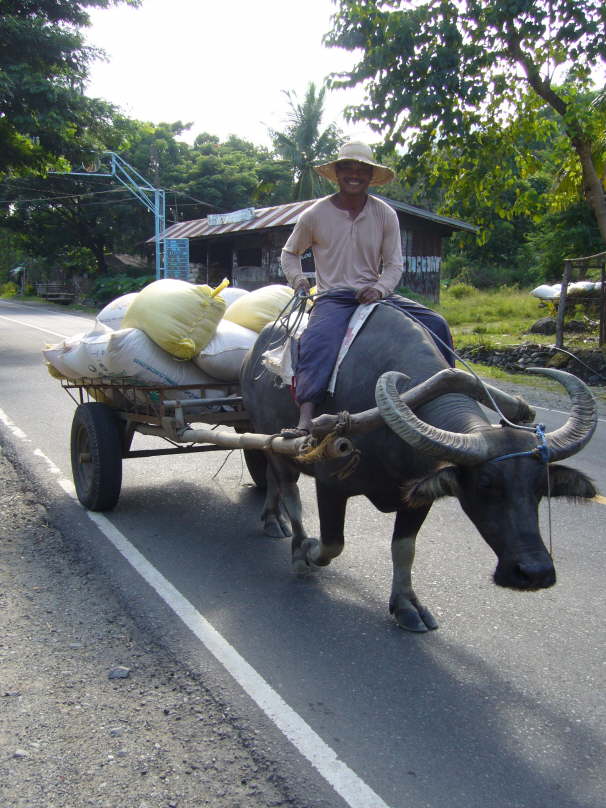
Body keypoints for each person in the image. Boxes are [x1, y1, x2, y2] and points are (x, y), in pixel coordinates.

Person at [280, 141, 455, 437]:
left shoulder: (385, 213)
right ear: (336, 173)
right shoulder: (315, 214)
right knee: (317, 342)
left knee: (437, 324)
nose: (354, 174)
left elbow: (394, 264)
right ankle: (306, 414)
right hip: (334, 297)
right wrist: (298, 280)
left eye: (362, 169)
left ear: (371, 176)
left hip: (374, 295)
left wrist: (380, 289)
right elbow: (290, 252)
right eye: (347, 167)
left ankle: (448, 402)